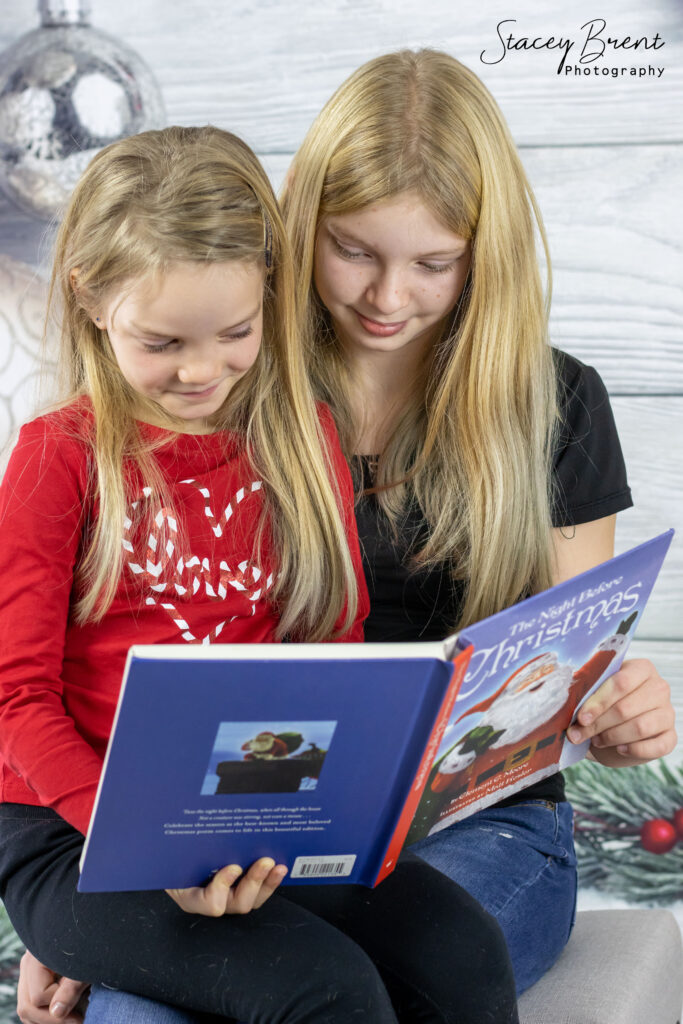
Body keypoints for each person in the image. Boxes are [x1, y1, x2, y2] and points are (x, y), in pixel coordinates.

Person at [18, 49, 677, 1023]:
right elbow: (75, 664)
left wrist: (610, 713)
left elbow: (559, 689)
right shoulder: (220, 380)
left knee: (419, 977)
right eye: (354, 250)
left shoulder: (552, 404)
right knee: (149, 1011)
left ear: (478, 255)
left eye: (432, 264)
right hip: (239, 809)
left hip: (473, 827)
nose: (386, 297)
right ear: (294, 233)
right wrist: (92, 905)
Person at [0, 124, 520, 1024]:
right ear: (88, 296)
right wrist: (156, 848)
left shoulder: (299, 438)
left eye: (233, 332)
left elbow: (328, 655)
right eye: (162, 342)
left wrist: (279, 832)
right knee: (324, 989)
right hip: (71, 831)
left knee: (461, 951)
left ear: (269, 296)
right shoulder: (59, 460)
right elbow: (15, 702)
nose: (202, 370)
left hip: (252, 813)